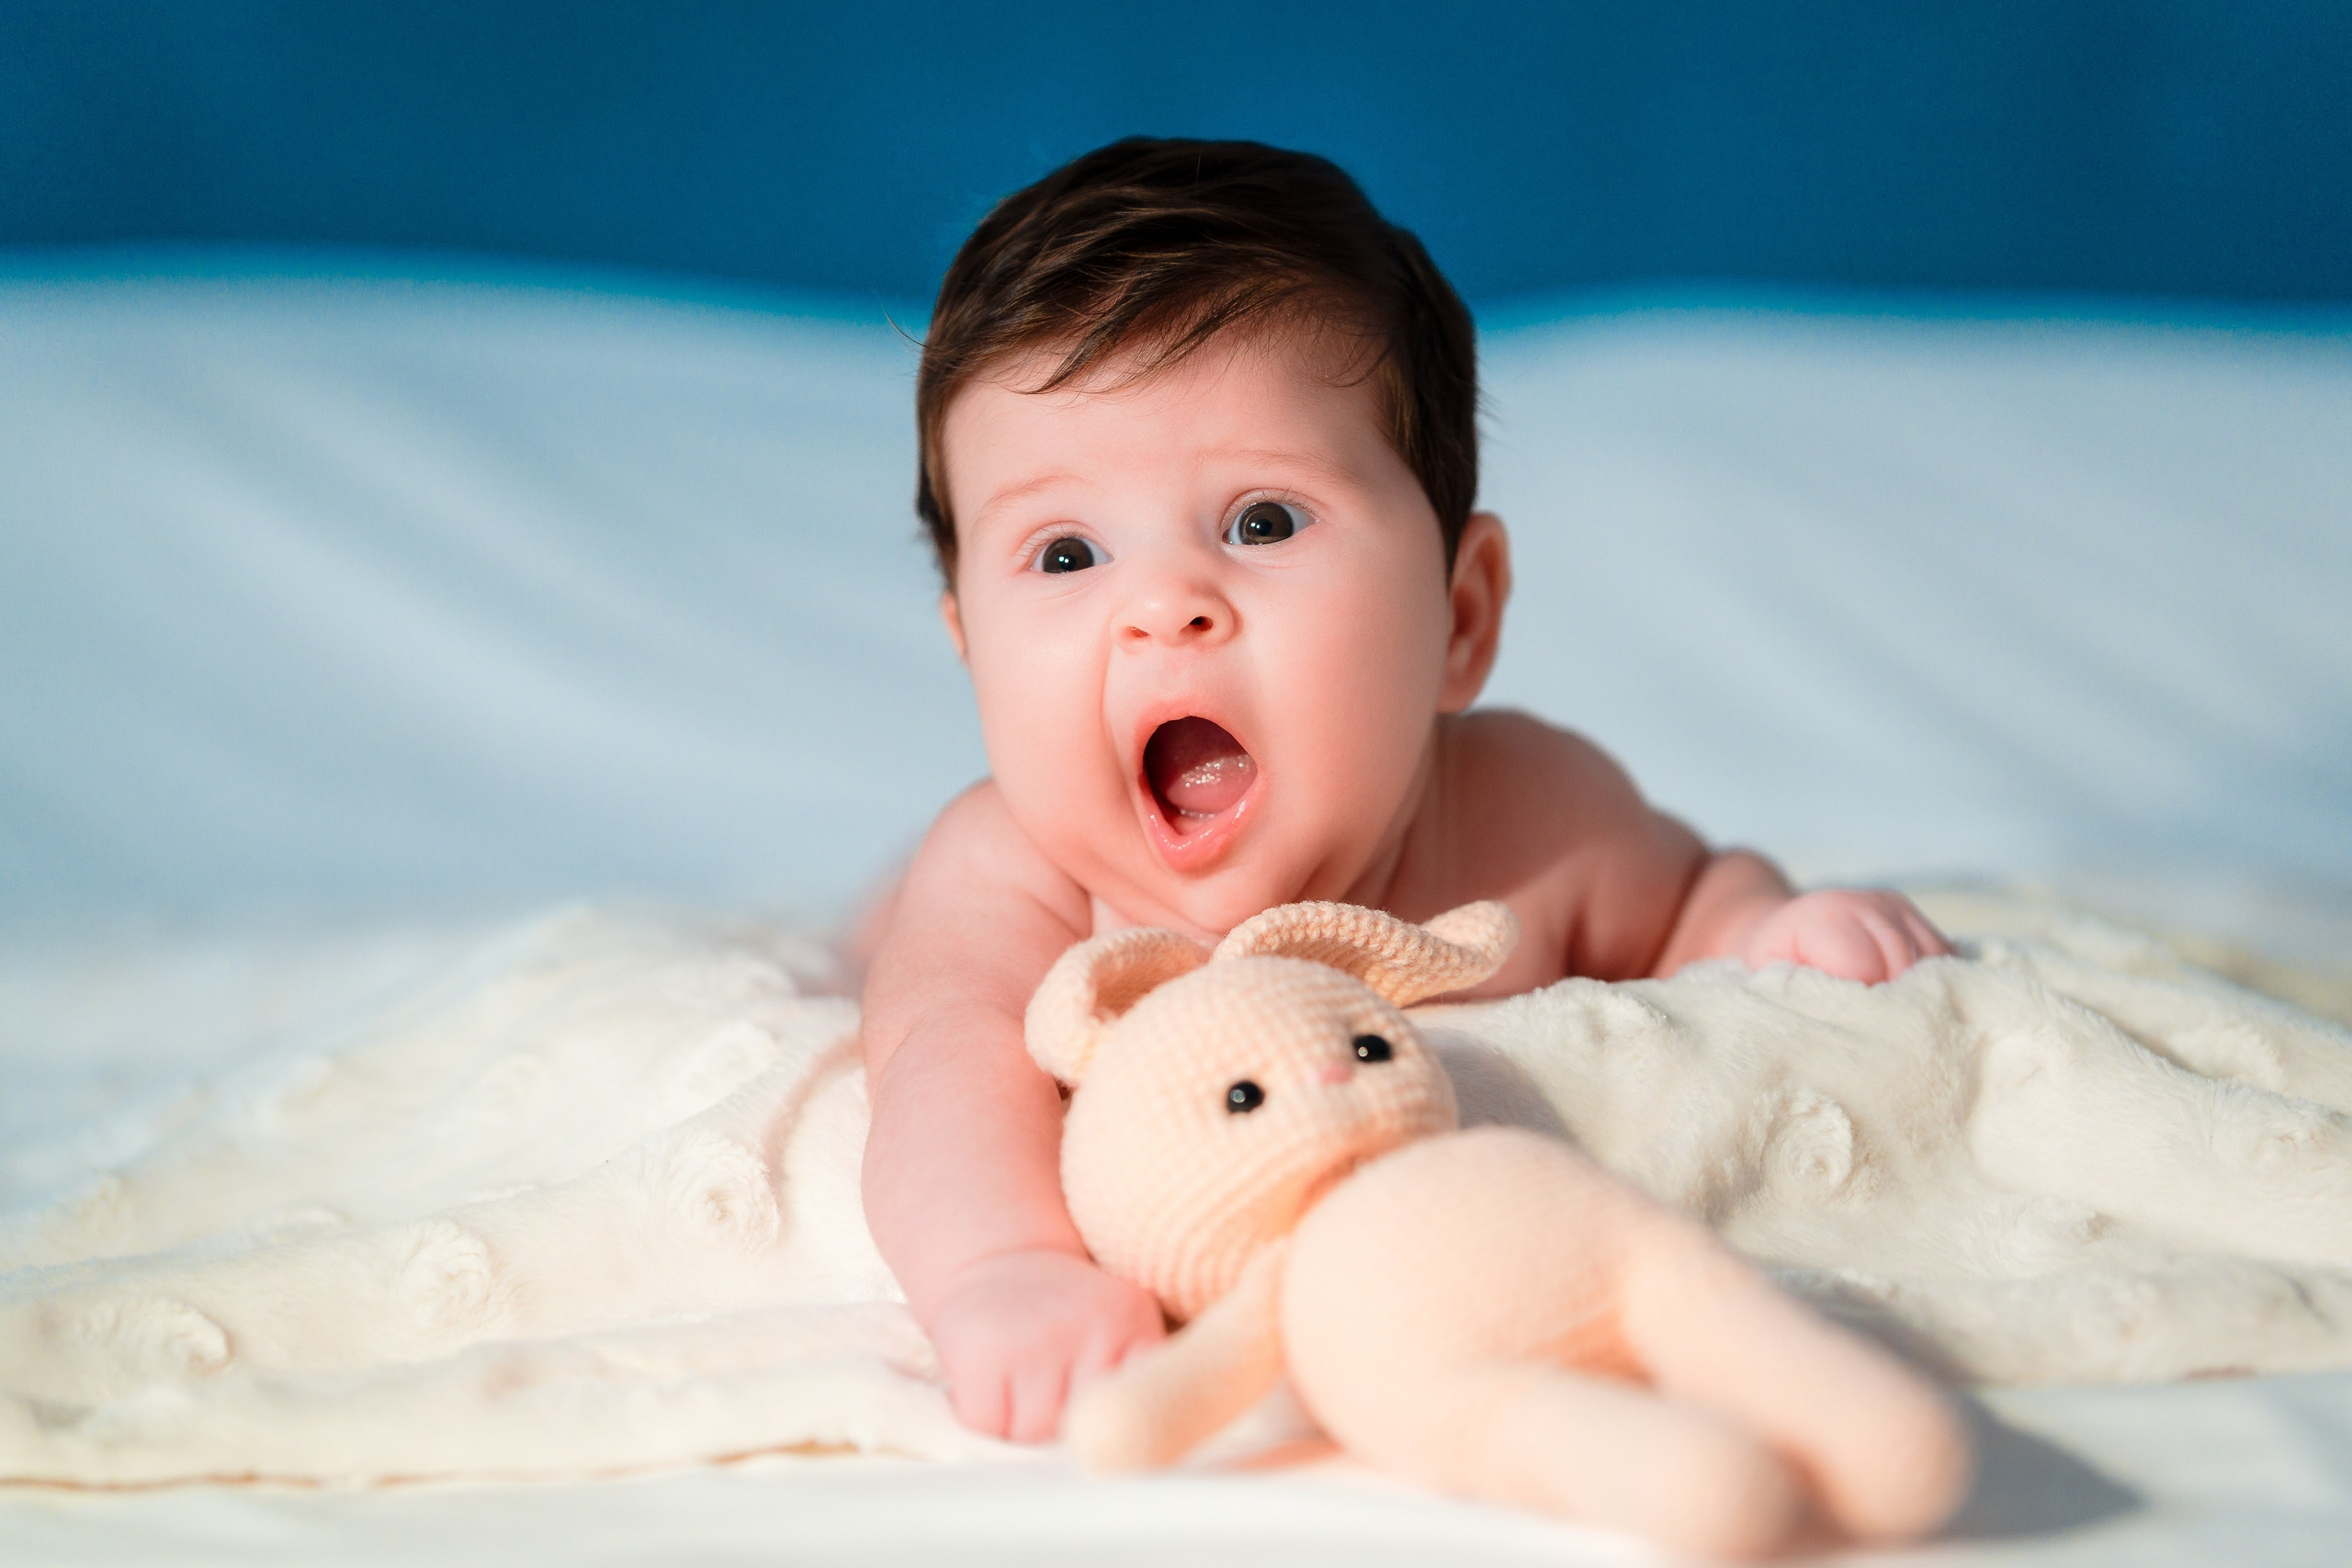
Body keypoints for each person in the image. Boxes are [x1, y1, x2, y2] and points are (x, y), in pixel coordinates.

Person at [858, 138, 1951, 1443]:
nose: (1162, 604)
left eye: (1263, 521)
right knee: (888, 943)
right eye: (1066, 552)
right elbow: (939, 1074)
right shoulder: (1014, 876)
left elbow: (1692, 901)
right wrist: (1002, 1269)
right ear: (970, 649)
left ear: (1460, 619)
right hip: (928, 932)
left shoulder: (1535, 819)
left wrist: (1769, 931)